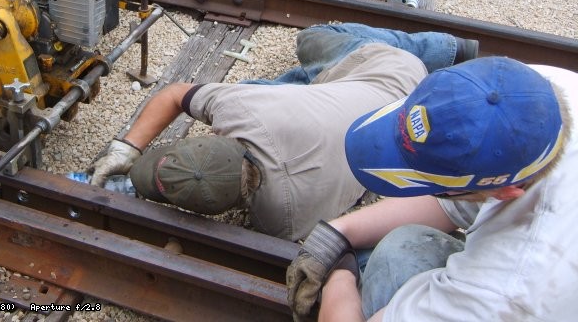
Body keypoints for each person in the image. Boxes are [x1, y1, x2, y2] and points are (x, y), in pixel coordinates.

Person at [89, 23, 478, 241]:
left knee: (313, 38)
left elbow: (172, 95)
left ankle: (442, 48)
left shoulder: (281, 224)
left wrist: (126, 149)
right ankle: (438, 55)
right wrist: (127, 149)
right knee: (309, 42)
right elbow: (176, 95)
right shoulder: (242, 109)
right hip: (384, 90)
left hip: (385, 69)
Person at [286, 56, 576, 322]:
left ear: (506, 192)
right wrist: (338, 233)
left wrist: (339, 274)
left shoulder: (506, 292)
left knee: (399, 257)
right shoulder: (535, 93)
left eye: (437, 185)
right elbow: (453, 203)